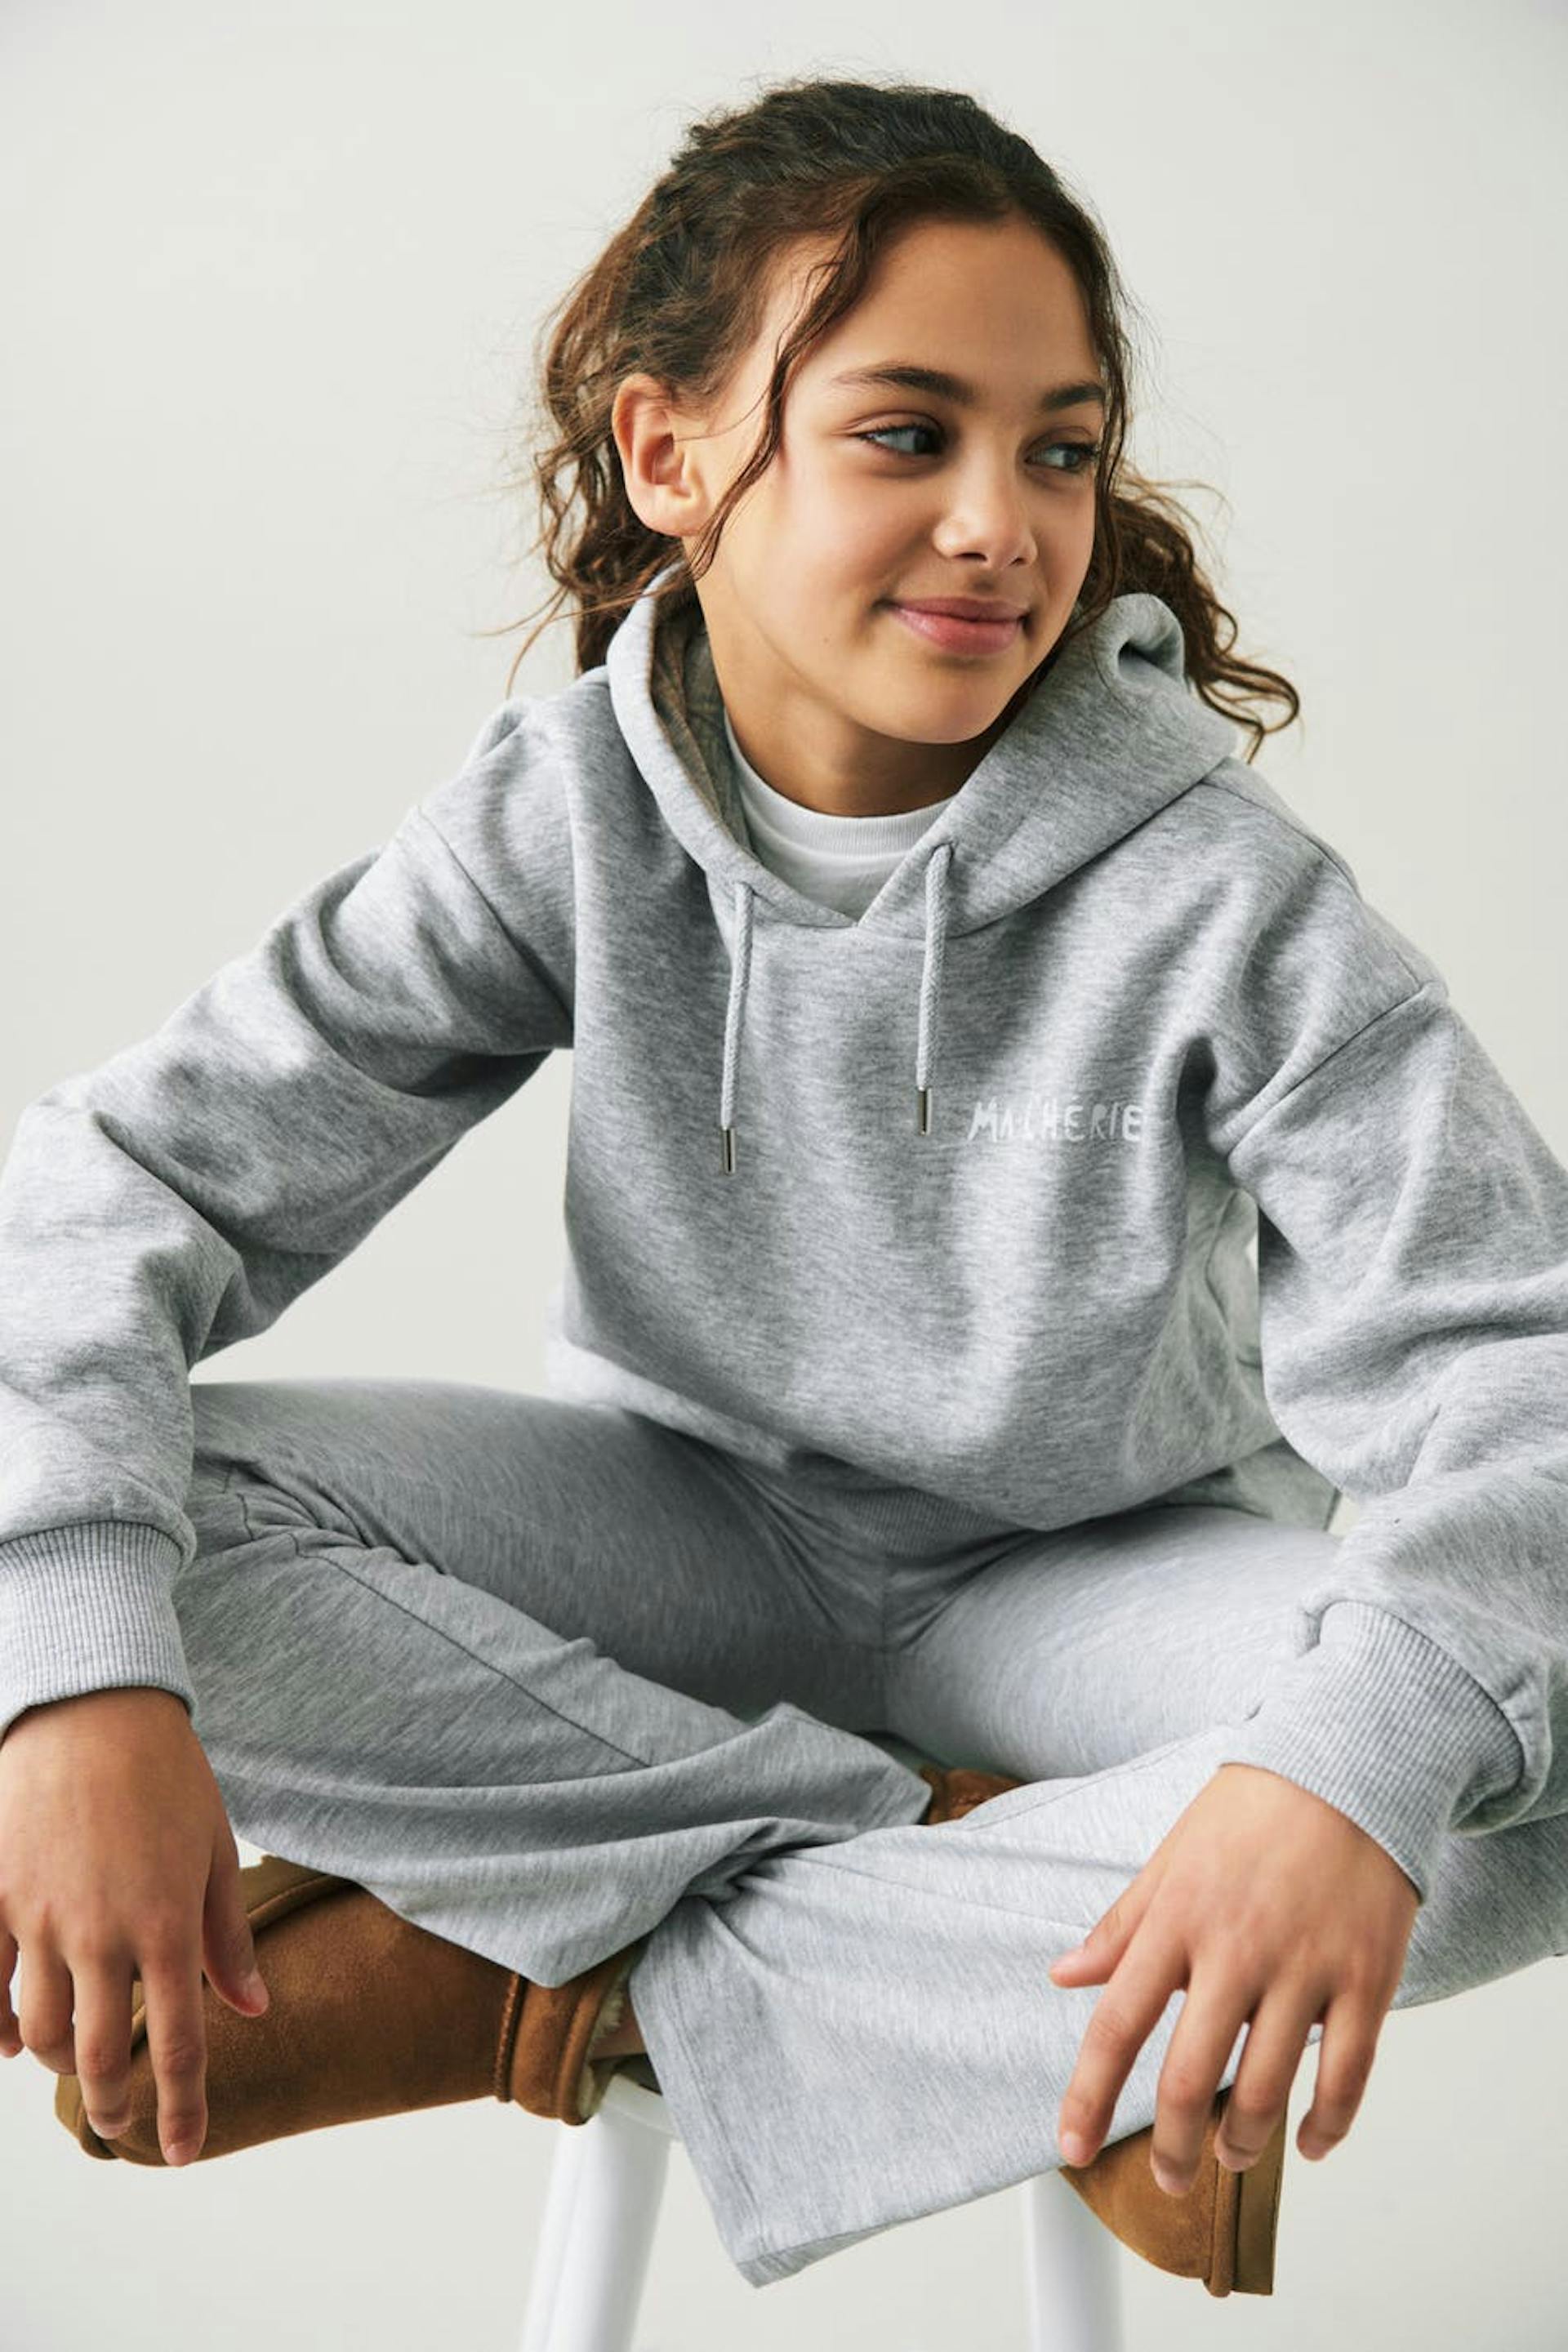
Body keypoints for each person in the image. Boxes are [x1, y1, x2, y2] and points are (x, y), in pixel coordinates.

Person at [2, 72, 1566, 2301]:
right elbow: (115, 1189)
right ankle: (986, 1953)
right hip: (688, 1534)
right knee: (110, 1518)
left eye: (1060, 449)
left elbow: (1517, 1377)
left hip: (1092, 1587)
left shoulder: (1228, 905)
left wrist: (1329, 1785)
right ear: (672, 456)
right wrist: (74, 1695)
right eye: (907, 433)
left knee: (1492, 1728)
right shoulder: (568, 811)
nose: (1002, 525)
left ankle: (552, 1982)